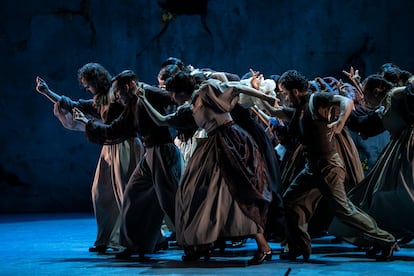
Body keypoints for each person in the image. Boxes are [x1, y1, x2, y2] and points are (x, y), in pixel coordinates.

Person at [139, 75, 279, 265]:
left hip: (230, 143)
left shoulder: (206, 90)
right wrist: (144, 100)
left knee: (238, 194)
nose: (171, 97)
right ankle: (202, 244)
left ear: (180, 91)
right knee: (196, 194)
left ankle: (263, 246)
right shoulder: (188, 107)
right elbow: (162, 120)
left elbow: (236, 86)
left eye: (172, 93)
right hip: (212, 145)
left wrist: (266, 98)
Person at [261, 70, 397, 261]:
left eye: (284, 92)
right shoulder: (298, 109)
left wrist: (340, 121)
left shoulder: (315, 99)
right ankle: (298, 246)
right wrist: (255, 92)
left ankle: (386, 240)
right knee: (292, 200)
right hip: (312, 168)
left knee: (343, 209)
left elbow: (346, 102)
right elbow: (272, 111)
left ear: (295, 91)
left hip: (328, 167)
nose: (283, 96)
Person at [35, 63, 144, 253]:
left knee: (126, 194)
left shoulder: (116, 93)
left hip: (125, 146)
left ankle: (135, 240)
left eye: (88, 84)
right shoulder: (100, 99)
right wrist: (47, 92)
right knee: (101, 193)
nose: (87, 88)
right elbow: (73, 105)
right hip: (109, 148)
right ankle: (107, 239)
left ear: (97, 81)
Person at [73, 70, 182, 259]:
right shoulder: (131, 105)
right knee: (133, 196)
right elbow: (115, 129)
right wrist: (87, 124)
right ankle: (134, 244)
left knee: (170, 201)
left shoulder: (148, 92)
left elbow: (175, 98)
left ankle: (194, 241)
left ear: (126, 87)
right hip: (149, 153)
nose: (116, 96)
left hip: (163, 151)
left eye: (117, 92)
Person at [332, 75, 414, 245]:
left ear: (374, 91)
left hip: (406, 149)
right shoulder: (401, 95)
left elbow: (367, 126)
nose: (363, 98)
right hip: (404, 146)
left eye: (365, 93)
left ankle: (382, 237)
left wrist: (345, 106)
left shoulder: (397, 95)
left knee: (380, 195)